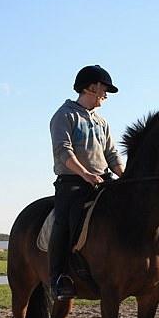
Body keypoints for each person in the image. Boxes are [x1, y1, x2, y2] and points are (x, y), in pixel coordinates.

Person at [48, 65, 125, 301]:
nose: (106, 94)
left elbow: (112, 155)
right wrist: (85, 174)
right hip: (72, 181)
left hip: (102, 180)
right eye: (104, 88)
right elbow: (63, 152)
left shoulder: (102, 122)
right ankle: (59, 277)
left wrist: (127, 178)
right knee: (64, 221)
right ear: (91, 87)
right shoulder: (64, 115)